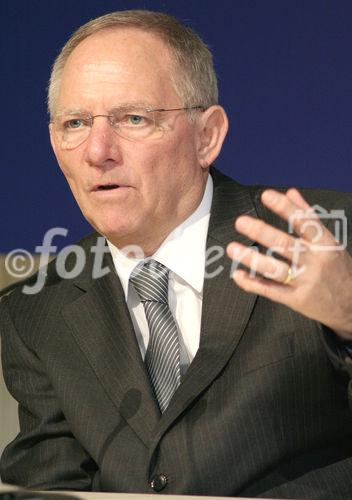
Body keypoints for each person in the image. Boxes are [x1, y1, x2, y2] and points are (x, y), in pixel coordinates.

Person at [1, 9, 352, 498]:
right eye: (76, 123)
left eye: (134, 118)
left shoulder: (330, 240)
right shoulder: (37, 310)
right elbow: (47, 485)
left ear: (206, 136)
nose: (98, 150)